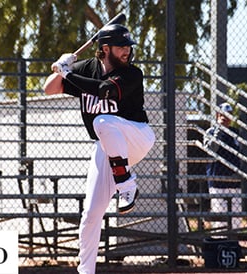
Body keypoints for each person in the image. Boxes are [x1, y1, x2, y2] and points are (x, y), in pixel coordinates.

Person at [43, 24, 155, 274]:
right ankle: (86, 271)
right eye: (121, 46)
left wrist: (68, 74)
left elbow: (105, 91)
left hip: (136, 137)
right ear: (105, 49)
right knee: (91, 214)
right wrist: (64, 66)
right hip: (106, 147)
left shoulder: (132, 74)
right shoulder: (88, 69)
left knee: (102, 121)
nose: (127, 51)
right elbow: (48, 88)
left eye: (128, 46)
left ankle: (127, 184)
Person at [203, 102, 241, 230]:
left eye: (229, 115)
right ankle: (219, 243)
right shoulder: (211, 131)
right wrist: (219, 130)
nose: (226, 118)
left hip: (233, 181)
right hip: (217, 181)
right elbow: (211, 150)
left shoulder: (235, 133)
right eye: (223, 114)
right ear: (217, 115)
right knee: (220, 219)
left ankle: (232, 244)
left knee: (235, 219)